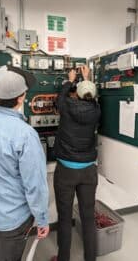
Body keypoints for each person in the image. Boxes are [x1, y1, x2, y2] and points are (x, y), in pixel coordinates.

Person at [0, 65, 49, 261]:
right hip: (10, 219)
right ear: (21, 98)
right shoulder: (25, 135)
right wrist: (42, 220)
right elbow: (35, 187)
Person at [51, 65, 101, 261]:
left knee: (64, 219)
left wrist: (69, 80)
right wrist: (86, 78)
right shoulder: (96, 110)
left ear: (77, 94)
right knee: (88, 218)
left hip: (66, 172)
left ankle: (63, 259)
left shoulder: (67, 107)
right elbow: (92, 96)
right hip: (89, 171)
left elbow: (60, 98)